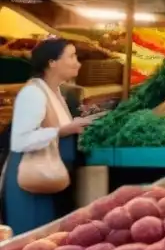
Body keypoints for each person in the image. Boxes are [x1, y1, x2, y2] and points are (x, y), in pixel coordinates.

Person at [1, 39, 95, 235]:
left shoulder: (55, 92)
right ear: (52, 62)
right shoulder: (33, 94)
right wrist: (62, 131)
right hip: (31, 181)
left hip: (50, 178)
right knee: (30, 242)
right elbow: (21, 141)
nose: (77, 62)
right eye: (71, 56)